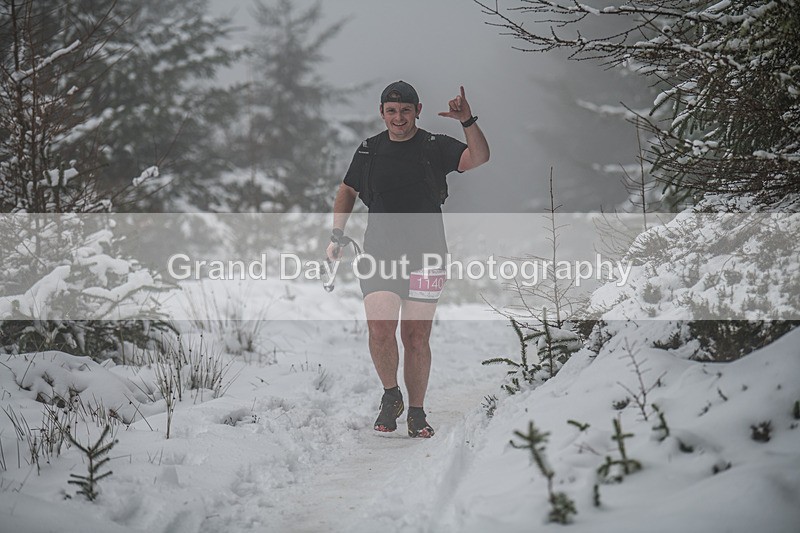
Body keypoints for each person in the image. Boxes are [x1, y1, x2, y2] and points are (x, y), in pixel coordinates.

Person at [326, 80, 489, 438]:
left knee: (415, 336)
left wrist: (467, 121)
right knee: (380, 329)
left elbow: (479, 157)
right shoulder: (369, 150)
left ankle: (416, 412)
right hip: (379, 254)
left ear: (418, 110)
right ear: (381, 113)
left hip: (428, 256)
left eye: (405, 110)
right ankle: (391, 395)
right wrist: (337, 234)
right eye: (391, 111)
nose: (398, 117)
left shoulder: (435, 146)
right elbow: (348, 189)